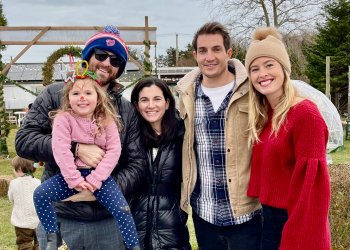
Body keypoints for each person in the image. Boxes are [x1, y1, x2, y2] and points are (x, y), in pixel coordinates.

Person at [15, 25, 146, 250]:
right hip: (62, 215)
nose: (106, 63)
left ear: (120, 69)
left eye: (115, 61)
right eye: (101, 55)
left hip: (107, 222)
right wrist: (75, 148)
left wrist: (98, 191)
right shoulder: (55, 95)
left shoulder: (125, 110)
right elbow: (24, 140)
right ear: (88, 57)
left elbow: (137, 163)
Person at [176, 22, 261, 250]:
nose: (209, 57)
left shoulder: (251, 91)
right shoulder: (186, 96)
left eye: (216, 49)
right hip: (204, 215)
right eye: (202, 51)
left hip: (246, 215)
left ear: (229, 53)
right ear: (195, 55)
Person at [245, 27, 331, 250]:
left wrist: (296, 239)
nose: (262, 73)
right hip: (268, 221)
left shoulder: (306, 115)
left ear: (284, 68)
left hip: (295, 224)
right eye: (254, 68)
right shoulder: (265, 115)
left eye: (269, 65)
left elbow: (312, 193)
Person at [33, 71, 140, 250]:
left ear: (98, 97)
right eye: (76, 94)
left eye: (88, 93)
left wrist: (96, 179)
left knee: (122, 210)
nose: (82, 98)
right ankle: (53, 237)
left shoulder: (107, 119)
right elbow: (61, 150)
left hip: (100, 178)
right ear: (68, 97)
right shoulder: (63, 119)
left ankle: (133, 246)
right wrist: (73, 179)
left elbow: (114, 150)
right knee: (40, 195)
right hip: (70, 177)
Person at [130, 77, 191, 249]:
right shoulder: (130, 138)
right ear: (136, 105)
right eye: (144, 100)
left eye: (157, 99)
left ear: (167, 103)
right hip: (134, 229)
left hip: (172, 231)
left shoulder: (183, 134)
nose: (151, 105)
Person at [8, 156, 41, 250]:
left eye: (14, 169)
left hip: (21, 221)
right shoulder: (38, 182)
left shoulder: (14, 183)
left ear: (19, 169)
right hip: (38, 220)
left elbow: (11, 198)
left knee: (24, 243)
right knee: (39, 243)